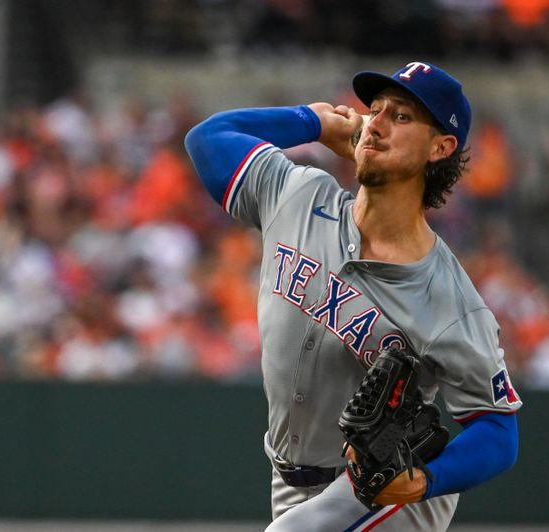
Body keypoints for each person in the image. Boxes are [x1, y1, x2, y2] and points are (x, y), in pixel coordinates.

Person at [185, 61, 521, 531]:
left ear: (440, 147)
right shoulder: (298, 196)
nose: (375, 124)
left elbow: (499, 431)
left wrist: (426, 480)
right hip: (288, 479)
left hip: (378, 490)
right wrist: (312, 122)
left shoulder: (449, 298)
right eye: (375, 109)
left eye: (401, 117)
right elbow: (208, 139)